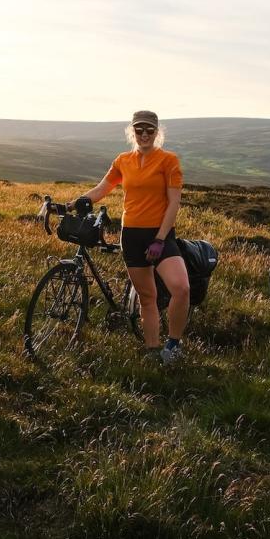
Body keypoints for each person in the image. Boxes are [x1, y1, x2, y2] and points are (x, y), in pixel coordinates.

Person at [70, 110, 190, 365]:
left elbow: (173, 203)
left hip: (160, 235)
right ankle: (153, 351)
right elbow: (103, 187)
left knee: (181, 288)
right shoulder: (123, 160)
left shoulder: (169, 161)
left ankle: (174, 344)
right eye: (139, 130)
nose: (144, 134)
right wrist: (77, 201)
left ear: (157, 133)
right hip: (132, 235)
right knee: (148, 298)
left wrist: (159, 239)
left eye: (149, 130)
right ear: (132, 132)